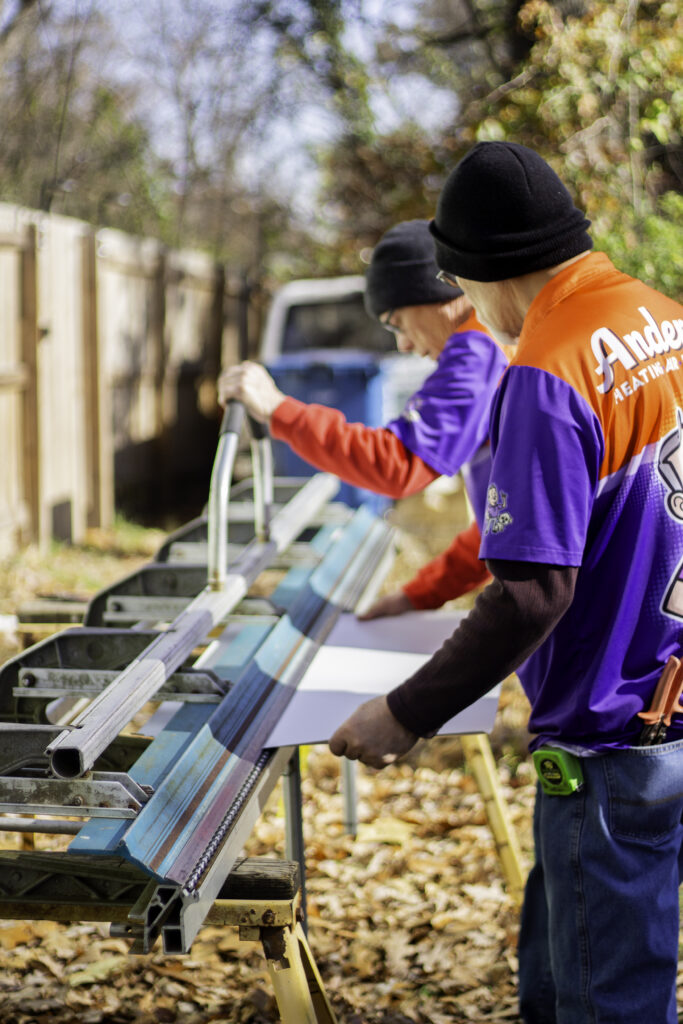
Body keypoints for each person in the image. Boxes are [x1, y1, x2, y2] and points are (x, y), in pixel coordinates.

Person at [328, 141, 683, 1024]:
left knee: (605, 1000)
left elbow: (531, 591)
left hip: (613, 734)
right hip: (670, 710)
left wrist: (402, 713)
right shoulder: (663, 317)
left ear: (477, 274)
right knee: (567, 963)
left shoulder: (545, 370)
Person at [219, 219, 512, 614]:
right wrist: (417, 595)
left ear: (436, 292)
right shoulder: (498, 344)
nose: (405, 344)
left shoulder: (478, 349)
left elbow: (398, 463)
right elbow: (503, 527)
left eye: (397, 323)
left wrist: (278, 409)